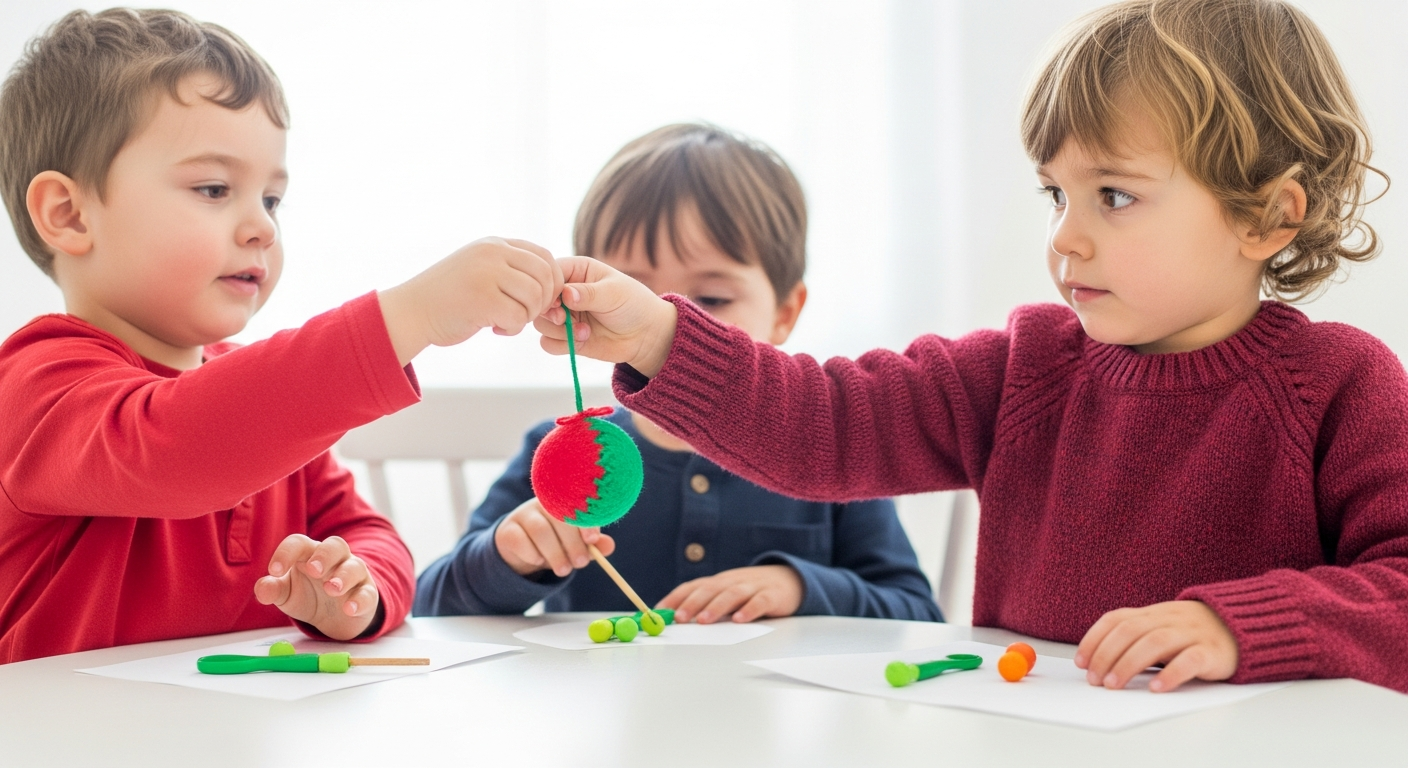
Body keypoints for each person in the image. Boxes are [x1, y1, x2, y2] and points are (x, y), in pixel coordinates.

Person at [536, 0, 1408, 693]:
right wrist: (656, 333)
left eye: (1115, 195)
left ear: (1268, 215)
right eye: (1055, 195)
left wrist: (1237, 627)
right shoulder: (1025, 369)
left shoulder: (1341, 386)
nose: (1066, 238)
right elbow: (824, 422)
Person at [0, 9, 563, 662]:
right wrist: (407, 317)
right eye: (214, 189)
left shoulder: (263, 410)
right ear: (69, 214)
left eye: (271, 199)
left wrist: (353, 595)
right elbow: (177, 446)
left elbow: (373, 538)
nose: (262, 228)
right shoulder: (34, 386)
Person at [415, 124, 942, 624]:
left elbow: (917, 613)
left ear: (786, 311)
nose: (672, 320)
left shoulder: (830, 453)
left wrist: (800, 588)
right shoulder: (560, 453)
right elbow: (433, 607)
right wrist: (507, 555)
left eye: (712, 298)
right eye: (632, 293)